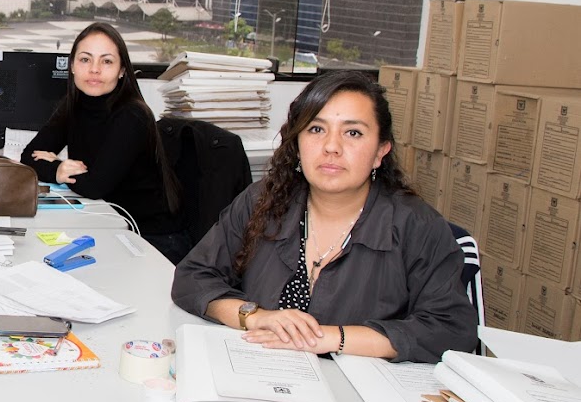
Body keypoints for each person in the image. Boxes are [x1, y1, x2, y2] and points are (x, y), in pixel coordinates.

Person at [171, 70, 476, 363]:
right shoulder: (263, 201)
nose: (331, 147)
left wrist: (330, 338)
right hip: (263, 373)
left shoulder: (417, 226)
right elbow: (192, 277)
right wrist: (254, 316)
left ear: (380, 151)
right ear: (297, 143)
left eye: (353, 133)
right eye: (316, 129)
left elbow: (450, 330)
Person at [21, 22, 188, 262]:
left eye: (107, 61)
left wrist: (57, 166)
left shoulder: (132, 115)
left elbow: (95, 186)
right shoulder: (74, 104)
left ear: (122, 70)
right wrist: (58, 169)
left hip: (151, 237)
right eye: (85, 59)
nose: (94, 69)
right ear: (72, 66)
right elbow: (29, 156)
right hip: (108, 219)